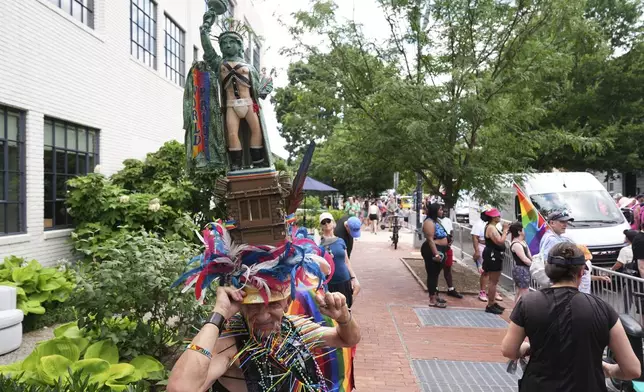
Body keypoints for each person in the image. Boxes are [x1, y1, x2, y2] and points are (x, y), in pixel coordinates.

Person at [168, 223, 361, 392]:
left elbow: (348, 338)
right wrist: (219, 314)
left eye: (273, 304)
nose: (262, 315)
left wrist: (344, 318)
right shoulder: (229, 343)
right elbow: (181, 388)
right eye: (252, 306)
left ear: (287, 303)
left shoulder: (293, 329)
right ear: (240, 305)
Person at [501, 242, 641, 391]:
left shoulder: (528, 303)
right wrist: (608, 369)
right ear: (581, 272)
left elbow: (509, 350)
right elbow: (632, 369)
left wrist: (526, 348)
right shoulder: (603, 308)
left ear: (548, 270)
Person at [319, 213, 361, 308]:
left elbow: (347, 262)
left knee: (346, 309)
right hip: (329, 283)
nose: (326, 223)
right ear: (321, 225)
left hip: (344, 280)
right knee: (332, 313)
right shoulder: (319, 244)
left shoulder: (341, 241)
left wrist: (354, 278)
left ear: (333, 223)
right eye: (323, 222)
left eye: (328, 221)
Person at [471, 206, 502, 303]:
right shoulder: (480, 224)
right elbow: (475, 237)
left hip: (494, 250)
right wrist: (476, 251)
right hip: (484, 247)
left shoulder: (496, 224)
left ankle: (493, 291)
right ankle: (483, 291)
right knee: (485, 272)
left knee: (495, 273)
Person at [422, 203, 449, 308]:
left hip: (441, 249)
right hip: (432, 250)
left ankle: (435, 294)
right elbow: (430, 239)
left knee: (436, 274)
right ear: (435, 211)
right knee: (432, 274)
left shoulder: (436, 221)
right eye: (440, 210)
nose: (442, 211)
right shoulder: (429, 222)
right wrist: (436, 254)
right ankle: (432, 299)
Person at [482, 208, 508, 314]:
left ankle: (492, 302)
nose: (499, 217)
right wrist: (505, 231)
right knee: (493, 281)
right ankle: (490, 304)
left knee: (494, 281)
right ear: (493, 217)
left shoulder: (492, 227)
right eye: (498, 216)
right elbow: (499, 241)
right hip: (493, 255)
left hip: (494, 254)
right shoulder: (491, 228)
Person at [439, 208, 463, 298]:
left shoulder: (448, 220)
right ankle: (434, 290)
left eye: (444, 211)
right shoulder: (434, 221)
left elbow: (451, 232)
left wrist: (450, 241)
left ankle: (451, 288)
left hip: (447, 247)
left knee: (448, 268)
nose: (443, 212)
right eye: (441, 211)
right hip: (438, 247)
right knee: (436, 269)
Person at [509, 221, 532, 305]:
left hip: (524, 269)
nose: (524, 231)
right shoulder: (516, 244)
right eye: (523, 229)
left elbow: (529, 256)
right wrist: (534, 265)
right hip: (520, 270)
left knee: (520, 291)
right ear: (519, 231)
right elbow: (524, 259)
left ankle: (516, 311)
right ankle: (522, 312)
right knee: (524, 292)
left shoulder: (523, 242)